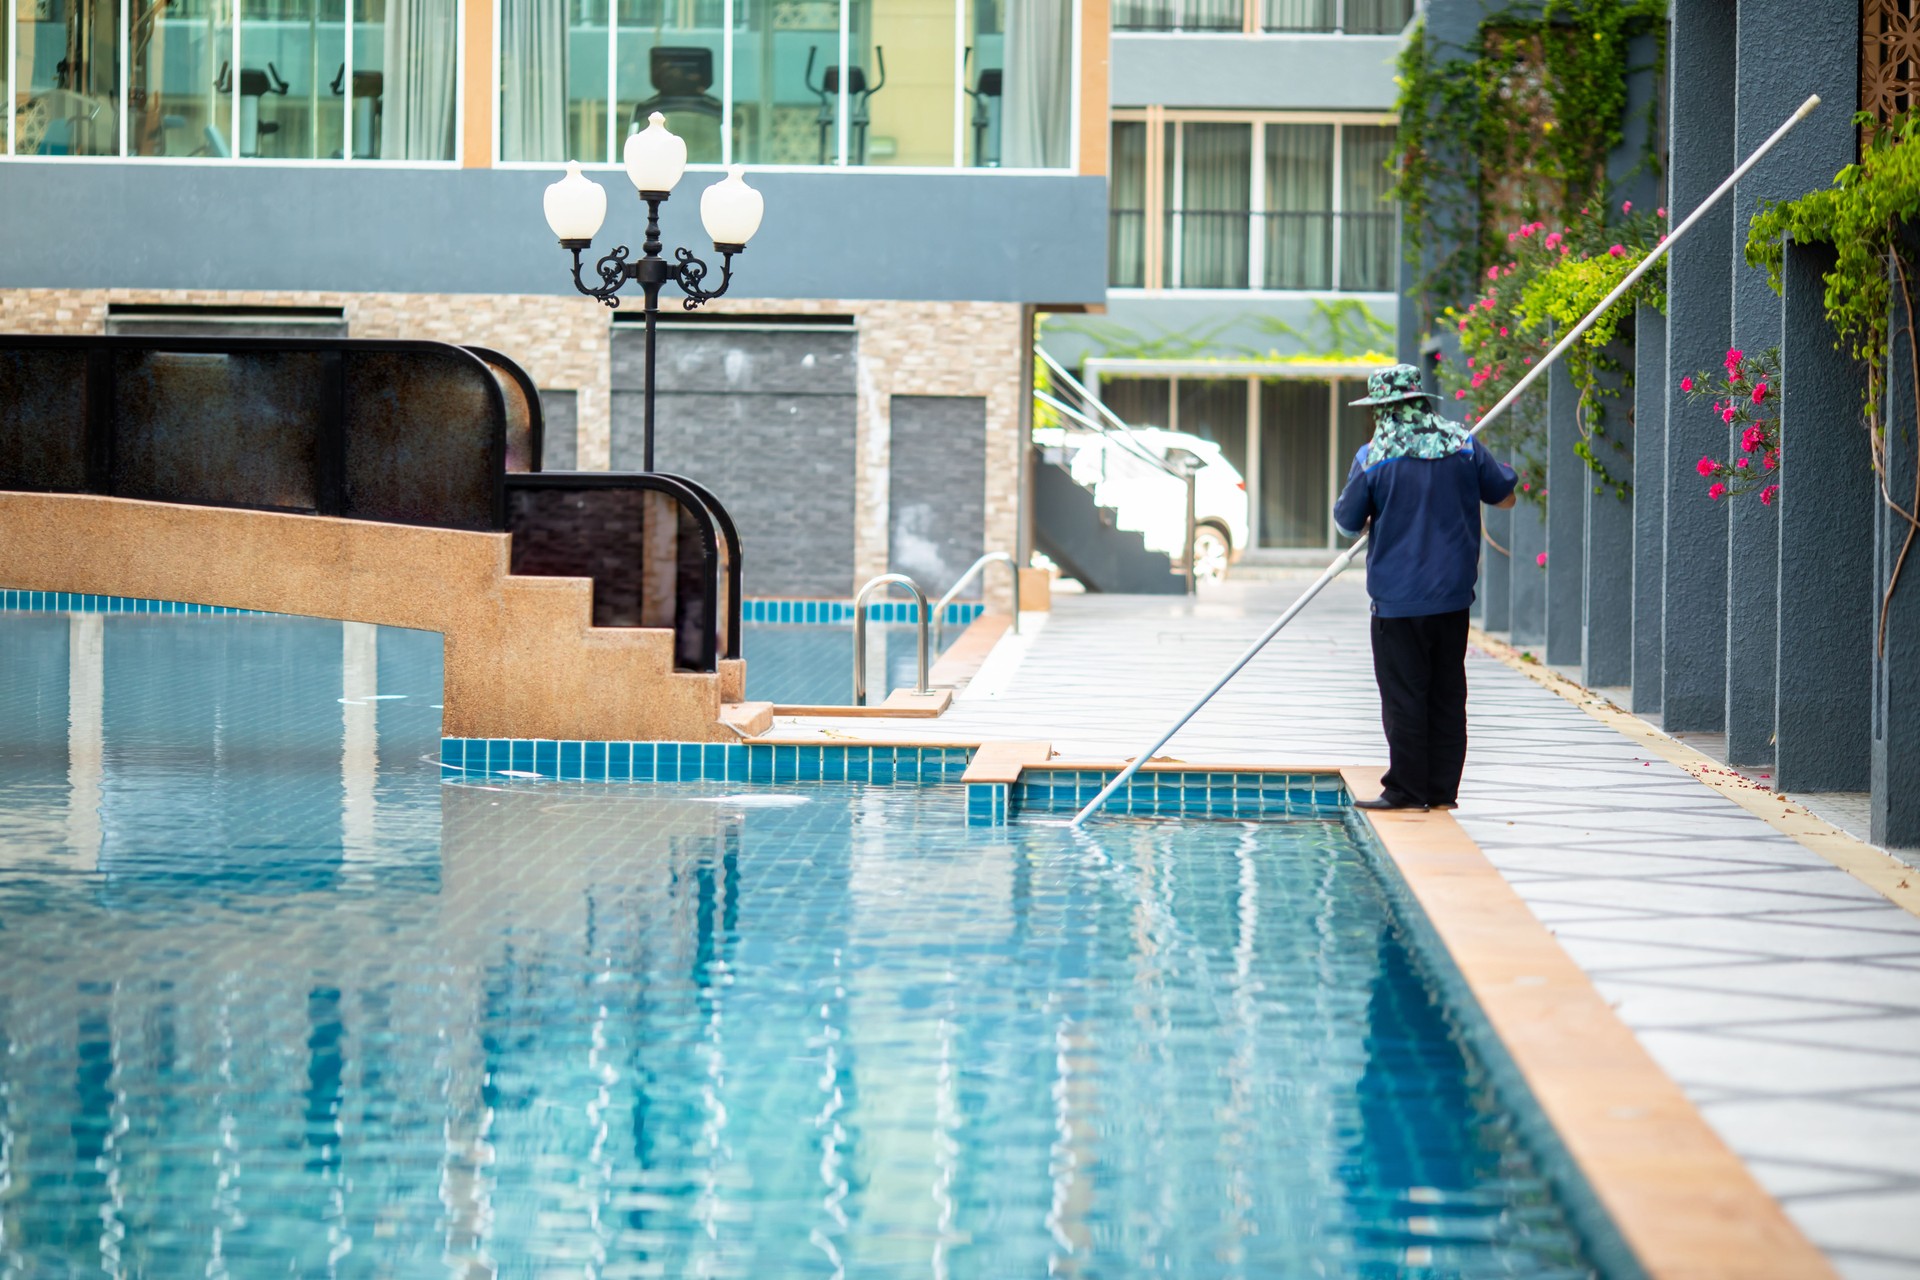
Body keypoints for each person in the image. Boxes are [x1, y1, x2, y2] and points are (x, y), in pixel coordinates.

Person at [1333, 363, 1517, 812]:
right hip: (1453, 596)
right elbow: (1505, 496)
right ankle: (1441, 790)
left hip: (1397, 600)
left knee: (1405, 695)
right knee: (1447, 692)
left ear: (1382, 409)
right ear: (1420, 401)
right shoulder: (1463, 444)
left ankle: (1407, 790)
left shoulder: (1374, 456)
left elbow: (1346, 524)